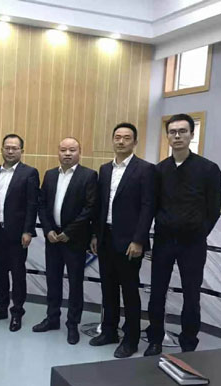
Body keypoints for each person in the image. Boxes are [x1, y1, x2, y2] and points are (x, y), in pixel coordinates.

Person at [145, 113, 221, 356]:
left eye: (182, 131)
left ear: (191, 134)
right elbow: (152, 205)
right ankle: (155, 339)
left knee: (191, 294)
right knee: (157, 292)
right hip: (164, 241)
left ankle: (188, 343)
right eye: (172, 132)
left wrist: (199, 231)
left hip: (193, 244)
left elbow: (214, 209)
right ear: (167, 136)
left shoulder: (208, 169)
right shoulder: (158, 170)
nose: (177, 136)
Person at [89, 122, 155, 358]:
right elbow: (100, 205)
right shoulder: (105, 169)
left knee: (129, 291)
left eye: (127, 138)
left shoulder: (145, 169)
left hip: (129, 242)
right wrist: (95, 234)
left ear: (135, 142)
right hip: (105, 238)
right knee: (108, 289)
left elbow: (148, 207)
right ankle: (109, 331)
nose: (121, 141)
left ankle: (131, 339)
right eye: (117, 137)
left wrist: (139, 240)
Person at [33, 137, 97, 345]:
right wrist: (48, 230)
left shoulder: (88, 176)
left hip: (75, 239)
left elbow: (89, 208)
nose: (67, 154)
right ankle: (52, 318)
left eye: (72, 150)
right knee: (52, 280)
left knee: (75, 283)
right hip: (53, 238)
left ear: (80, 152)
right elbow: (42, 204)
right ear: (58, 152)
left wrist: (69, 232)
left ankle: (72, 324)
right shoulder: (50, 174)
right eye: (63, 150)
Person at [0, 134, 39, 332]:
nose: (10, 151)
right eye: (7, 147)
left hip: (17, 234)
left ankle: (17, 312)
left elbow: (32, 204)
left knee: (17, 274)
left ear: (22, 151)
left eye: (15, 148)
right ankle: (0, 308)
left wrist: (28, 230)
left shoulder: (29, 173)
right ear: (2, 149)